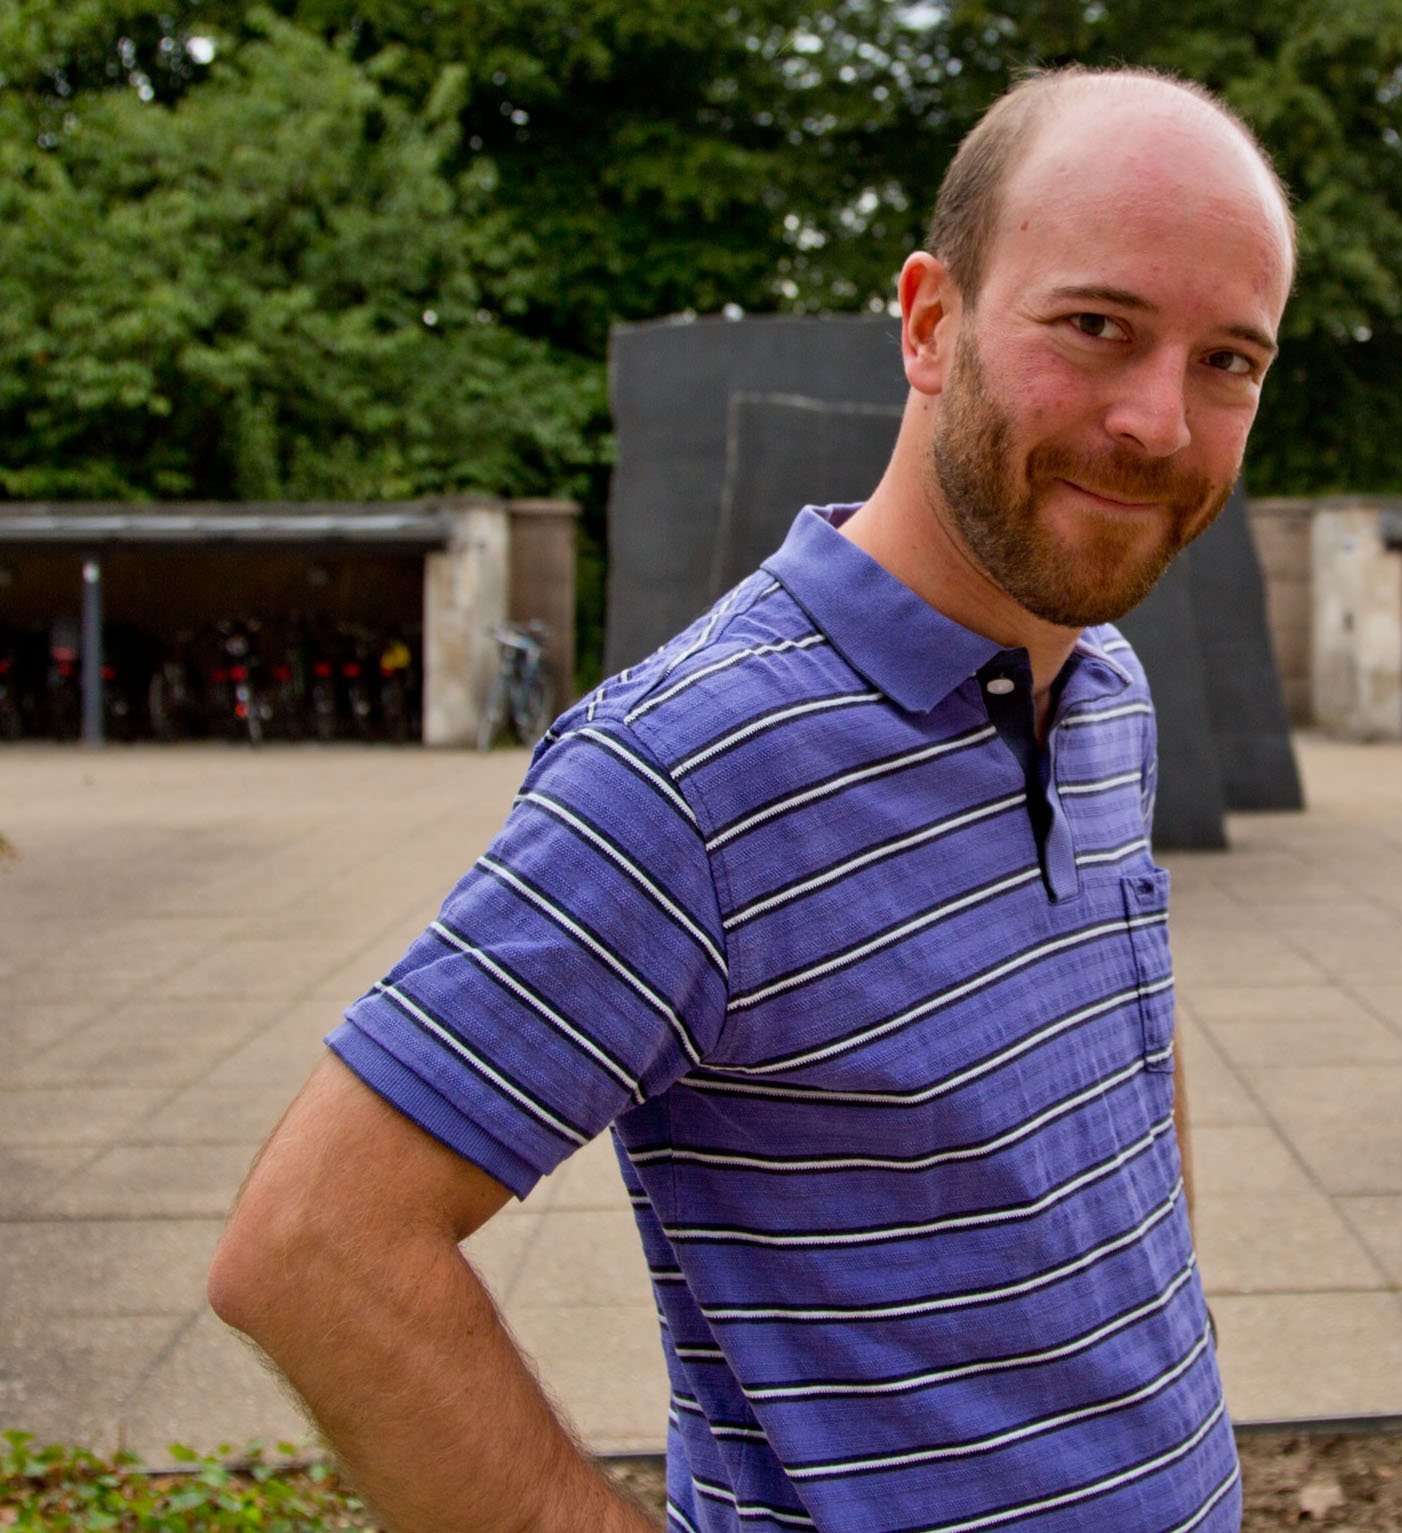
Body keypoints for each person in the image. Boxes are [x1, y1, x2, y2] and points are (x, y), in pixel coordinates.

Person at [208, 64, 1294, 1533]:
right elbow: (314, 1247)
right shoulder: (686, 767)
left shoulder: (1102, 691)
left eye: (1227, 359)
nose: (1160, 422)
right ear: (928, 321)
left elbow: (1117, 1078)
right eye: (1095, 326)